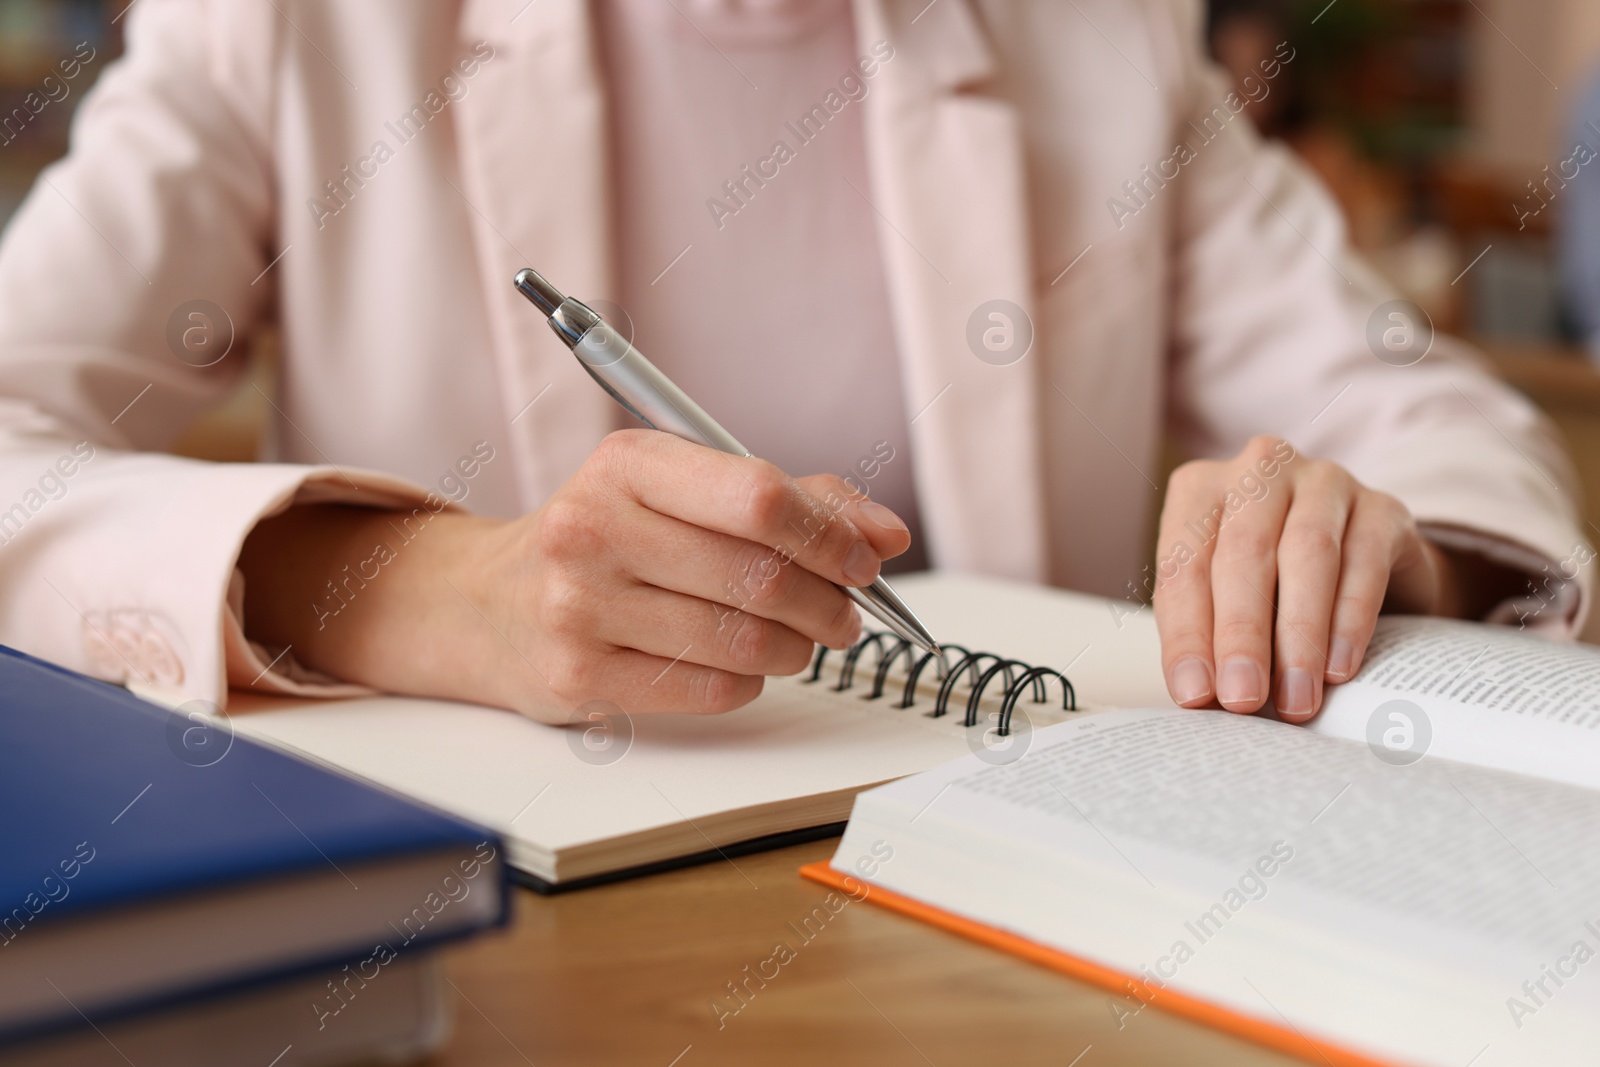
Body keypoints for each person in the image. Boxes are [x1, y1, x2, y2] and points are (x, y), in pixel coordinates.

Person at [0, 0, 1584, 728]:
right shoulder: (283, 29)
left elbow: (1420, 408)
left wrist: (1387, 545)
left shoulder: (1098, 39)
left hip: (1001, 904)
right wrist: (420, 583)